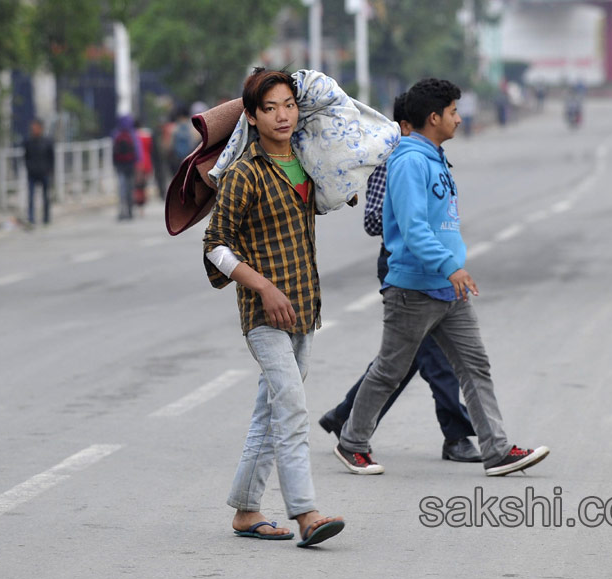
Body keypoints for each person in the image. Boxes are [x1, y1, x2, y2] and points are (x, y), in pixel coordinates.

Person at [333, 78, 549, 478]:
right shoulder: (409, 161)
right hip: (414, 287)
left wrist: (451, 271)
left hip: (447, 289)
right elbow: (414, 230)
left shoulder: (434, 157)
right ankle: (351, 443)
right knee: (390, 370)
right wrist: (451, 266)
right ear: (433, 118)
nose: (459, 119)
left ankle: (497, 451)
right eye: (452, 112)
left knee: (474, 366)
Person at [203, 67, 345, 547]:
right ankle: (306, 514)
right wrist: (262, 286)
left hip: (305, 307)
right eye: (270, 108)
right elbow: (215, 245)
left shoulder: (307, 163)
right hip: (265, 315)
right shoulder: (244, 173)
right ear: (252, 116)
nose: (282, 115)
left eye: (288, 104)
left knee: (270, 411)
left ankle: (246, 510)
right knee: (291, 409)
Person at [318, 93, 480, 464]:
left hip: (434, 266)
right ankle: (455, 435)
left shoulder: (434, 159)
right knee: (427, 358)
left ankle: (345, 417)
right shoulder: (395, 162)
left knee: (401, 359)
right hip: (403, 265)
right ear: (406, 126)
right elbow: (376, 220)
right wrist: (406, 215)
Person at [22, 119, 55, 226]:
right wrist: (29, 168)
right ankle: (31, 218)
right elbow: (25, 157)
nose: (34, 130)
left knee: (46, 197)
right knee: (31, 197)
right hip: (32, 174)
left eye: (36, 128)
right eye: (32, 128)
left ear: (41, 129)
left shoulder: (47, 142)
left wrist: (49, 171)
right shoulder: (28, 142)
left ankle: (46, 218)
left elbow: (52, 158)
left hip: (44, 173)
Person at [112, 115, 141, 221]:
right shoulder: (132, 134)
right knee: (130, 188)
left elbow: (113, 150)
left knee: (121, 188)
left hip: (120, 165)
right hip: (130, 165)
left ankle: (122, 210)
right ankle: (130, 210)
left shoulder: (116, 133)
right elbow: (138, 151)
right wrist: (138, 164)